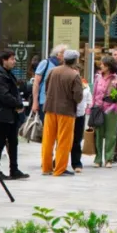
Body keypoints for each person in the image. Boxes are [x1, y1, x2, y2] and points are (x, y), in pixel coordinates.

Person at [0, 48, 28, 180]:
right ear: (4, 60)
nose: (14, 61)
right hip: (2, 113)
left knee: (13, 141)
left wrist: (18, 104)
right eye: (12, 59)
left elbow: (12, 92)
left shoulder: (7, 74)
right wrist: (18, 104)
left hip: (10, 113)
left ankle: (14, 169)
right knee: (0, 141)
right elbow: (4, 95)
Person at [40, 48, 83, 176]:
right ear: (75, 60)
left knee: (48, 139)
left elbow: (46, 89)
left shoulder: (53, 71)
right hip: (66, 110)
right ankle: (59, 169)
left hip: (50, 108)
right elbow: (78, 96)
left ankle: (46, 168)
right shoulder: (74, 75)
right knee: (64, 140)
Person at [91, 58, 117, 164]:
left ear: (109, 66)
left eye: (103, 65)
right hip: (98, 108)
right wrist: (91, 107)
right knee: (98, 133)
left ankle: (109, 158)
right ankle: (98, 158)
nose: (101, 66)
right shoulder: (97, 77)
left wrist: (116, 97)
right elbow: (94, 93)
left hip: (112, 109)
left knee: (111, 134)